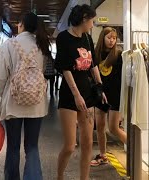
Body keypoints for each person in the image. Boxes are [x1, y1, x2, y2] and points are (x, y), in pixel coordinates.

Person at [0, 12, 50, 180]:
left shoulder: (9, 45)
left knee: (13, 147)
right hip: (36, 104)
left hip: (13, 105)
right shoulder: (42, 45)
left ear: (21, 24)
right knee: (32, 147)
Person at [55, 4, 107, 180]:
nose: (93, 24)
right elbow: (65, 68)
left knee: (87, 144)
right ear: (84, 18)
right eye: (92, 20)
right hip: (70, 94)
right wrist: (76, 95)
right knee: (70, 145)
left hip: (88, 93)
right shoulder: (63, 38)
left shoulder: (87, 38)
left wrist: (100, 89)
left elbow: (93, 66)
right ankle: (60, 176)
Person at [91, 27, 126, 166]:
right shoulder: (96, 54)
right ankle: (103, 155)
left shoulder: (119, 55)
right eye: (109, 38)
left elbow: (123, 80)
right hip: (100, 95)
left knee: (113, 128)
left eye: (114, 38)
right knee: (99, 127)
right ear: (102, 38)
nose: (112, 41)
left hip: (115, 96)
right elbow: (92, 76)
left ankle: (137, 149)